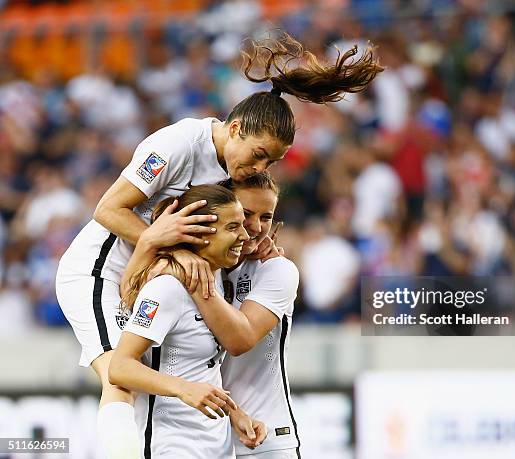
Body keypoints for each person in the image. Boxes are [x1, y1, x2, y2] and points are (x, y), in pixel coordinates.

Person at [55, 32, 383, 458]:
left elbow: (227, 229)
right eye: (259, 154)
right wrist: (164, 245)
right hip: (98, 272)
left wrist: (255, 242)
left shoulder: (235, 174)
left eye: (272, 163)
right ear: (234, 128)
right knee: (119, 377)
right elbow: (108, 210)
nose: (259, 168)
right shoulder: (178, 144)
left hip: (151, 274)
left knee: (145, 380)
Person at [126, 172, 301, 458]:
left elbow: (239, 339)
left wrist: (190, 270)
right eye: (244, 216)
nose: (254, 228)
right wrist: (160, 248)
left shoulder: (275, 268)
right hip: (208, 434)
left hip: (264, 436)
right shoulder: (205, 270)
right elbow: (131, 298)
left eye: (267, 217)